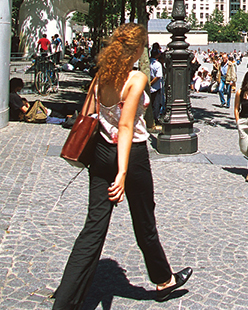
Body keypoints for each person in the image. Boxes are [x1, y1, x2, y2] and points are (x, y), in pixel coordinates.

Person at [52, 23, 191, 308]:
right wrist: (123, 172)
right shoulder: (136, 78)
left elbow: (87, 113)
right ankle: (164, 281)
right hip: (132, 156)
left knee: (93, 228)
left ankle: (65, 300)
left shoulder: (101, 75)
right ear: (138, 48)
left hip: (100, 153)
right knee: (144, 220)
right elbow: (127, 126)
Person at [148, 44, 164, 125]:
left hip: (151, 88)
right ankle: (155, 119)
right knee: (157, 104)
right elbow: (158, 76)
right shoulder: (157, 64)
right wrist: (151, 83)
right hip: (156, 87)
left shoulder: (149, 62)